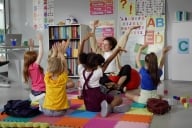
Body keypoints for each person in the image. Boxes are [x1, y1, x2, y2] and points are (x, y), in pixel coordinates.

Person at [78, 33, 131, 117]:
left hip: (88, 106)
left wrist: (83, 41)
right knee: (119, 99)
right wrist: (117, 51)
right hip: (99, 102)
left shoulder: (81, 70)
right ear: (96, 65)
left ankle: (111, 108)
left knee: (103, 89)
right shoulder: (97, 72)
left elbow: (79, 55)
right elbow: (108, 61)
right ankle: (110, 108)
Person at [89, 20, 140, 92]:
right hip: (105, 76)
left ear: (111, 46)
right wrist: (93, 29)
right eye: (102, 44)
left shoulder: (116, 52)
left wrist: (130, 29)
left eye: (106, 44)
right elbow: (93, 42)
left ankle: (118, 86)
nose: (103, 45)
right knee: (99, 75)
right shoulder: (99, 52)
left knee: (127, 67)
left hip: (116, 74)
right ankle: (117, 87)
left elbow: (123, 40)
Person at [41, 41, 69, 116]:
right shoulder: (63, 79)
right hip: (60, 112)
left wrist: (54, 53)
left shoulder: (47, 79)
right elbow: (65, 65)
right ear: (61, 68)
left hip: (47, 111)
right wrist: (60, 53)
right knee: (68, 102)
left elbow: (50, 65)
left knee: (41, 100)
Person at [23, 33, 45, 102]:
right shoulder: (35, 66)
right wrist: (40, 40)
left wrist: (31, 47)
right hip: (41, 92)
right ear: (34, 59)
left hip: (33, 92)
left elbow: (31, 56)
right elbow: (41, 53)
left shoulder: (28, 67)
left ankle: (34, 98)